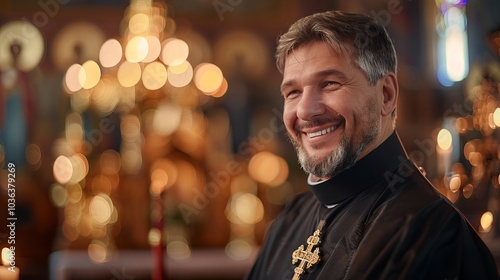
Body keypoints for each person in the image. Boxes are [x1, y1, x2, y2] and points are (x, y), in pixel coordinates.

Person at [245, 10, 500, 280]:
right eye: (293, 92)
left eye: (330, 83)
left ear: (386, 95)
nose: (306, 111)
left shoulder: (433, 233)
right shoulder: (288, 222)